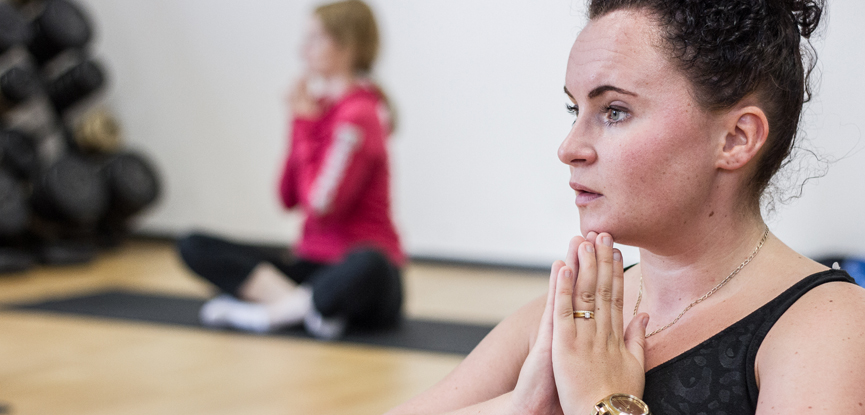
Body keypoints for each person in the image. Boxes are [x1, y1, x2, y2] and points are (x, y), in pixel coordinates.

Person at [387, 0, 865, 414]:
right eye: (576, 111)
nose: (570, 147)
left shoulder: (826, 324)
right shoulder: (575, 312)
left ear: (736, 139)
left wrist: (604, 403)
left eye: (614, 111)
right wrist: (523, 406)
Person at [178, 0, 404, 340]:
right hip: (311, 266)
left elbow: (322, 206)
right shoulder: (317, 110)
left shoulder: (359, 115)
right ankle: (304, 307)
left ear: (346, 46)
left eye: (315, 40)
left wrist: (303, 124)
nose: (303, 51)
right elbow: (286, 198)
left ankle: (269, 314)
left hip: (362, 277)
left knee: (372, 263)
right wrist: (300, 124)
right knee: (193, 244)